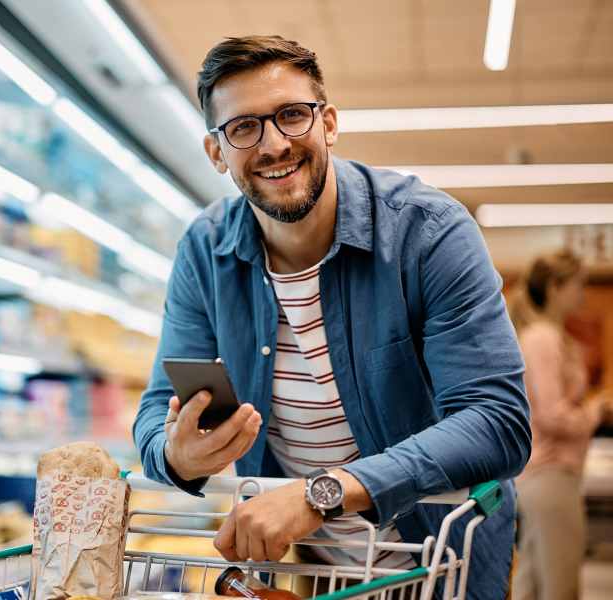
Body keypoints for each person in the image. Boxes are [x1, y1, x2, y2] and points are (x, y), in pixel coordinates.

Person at [132, 35, 531, 600]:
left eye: (292, 115)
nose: (274, 144)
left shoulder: (428, 234)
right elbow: (155, 411)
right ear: (217, 152)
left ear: (329, 123)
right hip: (316, 573)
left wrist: (322, 492)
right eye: (243, 128)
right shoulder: (206, 250)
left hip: (442, 563)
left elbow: (498, 421)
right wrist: (175, 454)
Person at [508, 250, 606, 600]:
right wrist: (595, 410)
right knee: (560, 585)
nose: (582, 293)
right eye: (578, 284)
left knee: (534, 581)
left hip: (545, 475)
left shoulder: (549, 336)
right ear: (554, 287)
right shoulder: (543, 338)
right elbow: (551, 415)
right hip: (550, 474)